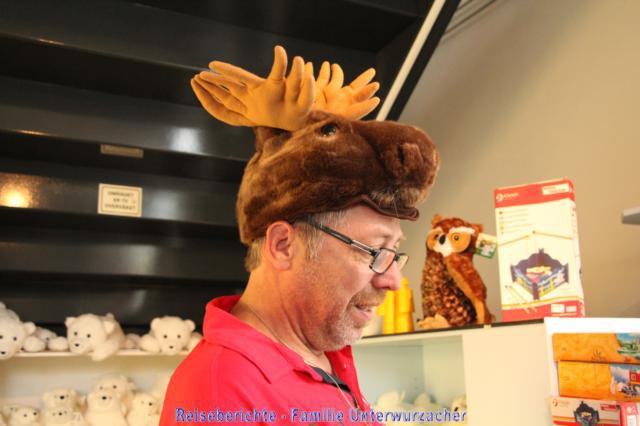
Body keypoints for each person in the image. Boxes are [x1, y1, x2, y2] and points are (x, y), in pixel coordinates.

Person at [160, 46, 439, 425]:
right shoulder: (219, 390)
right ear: (283, 245)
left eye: (394, 251)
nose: (393, 280)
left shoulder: (325, 351)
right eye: (374, 250)